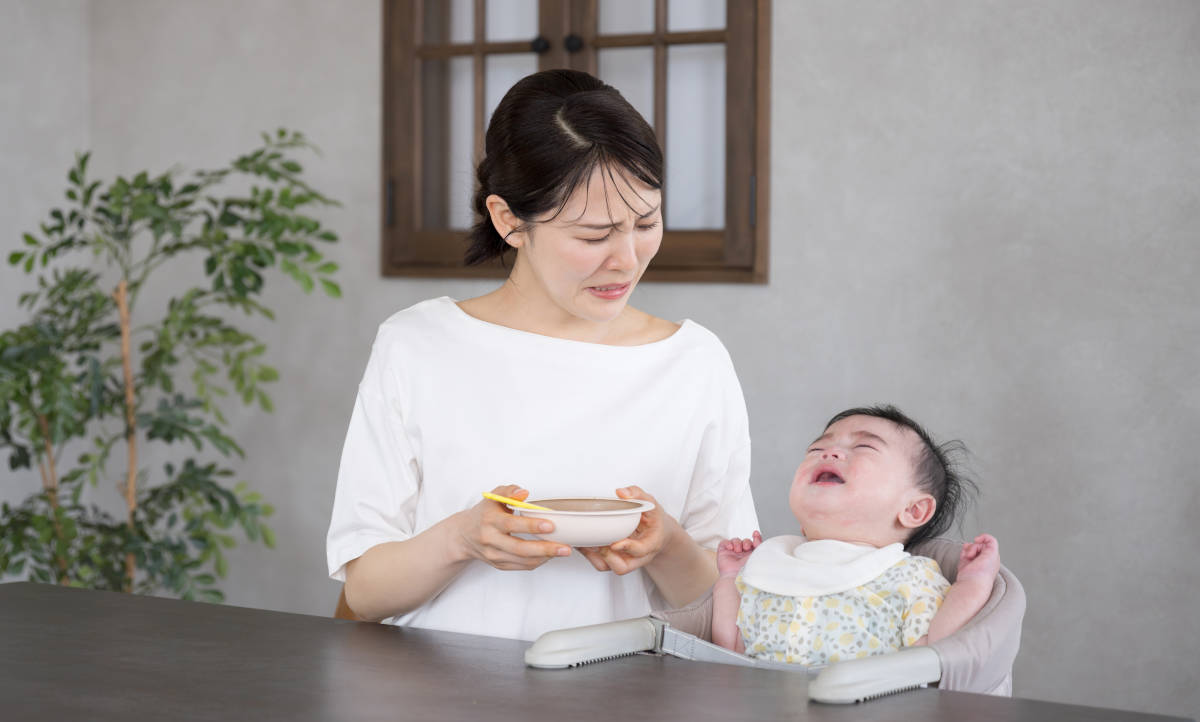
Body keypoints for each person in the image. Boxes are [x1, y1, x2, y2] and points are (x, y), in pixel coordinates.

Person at [326, 69, 758, 641]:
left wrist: (667, 545)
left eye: (646, 223)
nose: (627, 260)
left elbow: (728, 603)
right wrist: (461, 538)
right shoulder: (418, 346)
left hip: (630, 693)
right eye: (592, 235)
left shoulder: (694, 361)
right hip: (440, 693)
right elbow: (364, 591)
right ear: (509, 221)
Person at [712, 405, 999, 666]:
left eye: (863, 447)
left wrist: (972, 583)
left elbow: (935, 649)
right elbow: (731, 649)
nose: (829, 453)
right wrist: (729, 580)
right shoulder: (772, 567)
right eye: (815, 449)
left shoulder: (908, 578)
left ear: (913, 509)